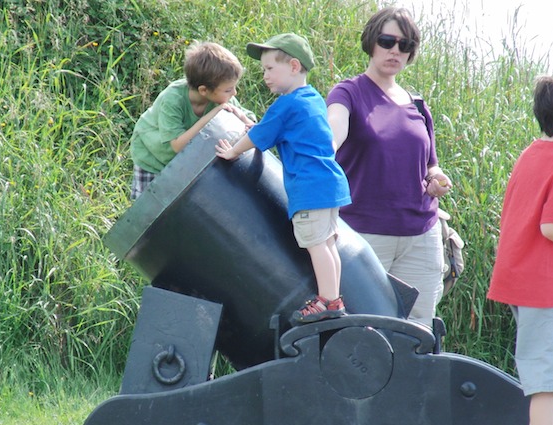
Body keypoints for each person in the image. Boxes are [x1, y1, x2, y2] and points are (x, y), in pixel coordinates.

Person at [326, 7, 452, 327]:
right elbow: (334, 129)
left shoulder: (418, 105)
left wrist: (437, 179)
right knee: (361, 329)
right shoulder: (349, 92)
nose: (395, 50)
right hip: (364, 236)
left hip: (420, 234)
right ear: (371, 42)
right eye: (387, 41)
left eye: (405, 45)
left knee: (419, 328)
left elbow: (430, 165)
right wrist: (328, 144)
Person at [215, 33, 352, 323]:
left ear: (292, 66)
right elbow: (276, 129)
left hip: (309, 187)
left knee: (316, 244)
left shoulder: (286, 105)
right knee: (327, 243)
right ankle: (334, 296)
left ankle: (328, 301)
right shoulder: (312, 98)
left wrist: (232, 152)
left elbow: (258, 136)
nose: (264, 76)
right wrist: (258, 125)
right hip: (330, 184)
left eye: (269, 69)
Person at [488, 72, 553, 425]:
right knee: (549, 378)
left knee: (547, 369)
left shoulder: (533, 154)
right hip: (548, 283)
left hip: (523, 278)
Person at [130, 41, 255, 200]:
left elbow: (249, 120)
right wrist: (212, 115)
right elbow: (177, 146)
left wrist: (244, 118)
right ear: (204, 90)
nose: (234, 93)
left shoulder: (221, 97)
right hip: (153, 157)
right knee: (147, 209)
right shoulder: (173, 98)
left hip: (183, 163)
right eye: (228, 89)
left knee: (177, 206)